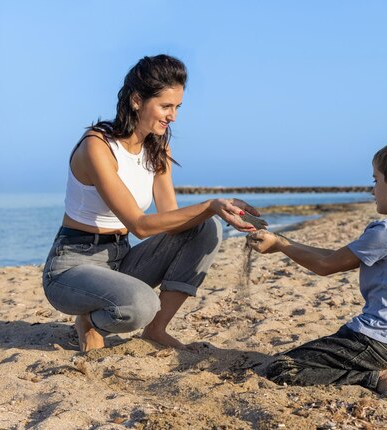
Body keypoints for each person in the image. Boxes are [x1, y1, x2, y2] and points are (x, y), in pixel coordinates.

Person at [42, 55, 260, 352]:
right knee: (141, 305)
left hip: (120, 258)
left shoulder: (158, 148)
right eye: (166, 106)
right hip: (73, 266)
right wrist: (209, 204)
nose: (173, 116)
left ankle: (156, 330)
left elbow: (170, 218)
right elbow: (140, 225)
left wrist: (220, 211)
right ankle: (90, 322)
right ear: (136, 101)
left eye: (177, 107)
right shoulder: (98, 146)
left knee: (205, 228)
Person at [247, 139, 387, 395]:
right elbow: (336, 257)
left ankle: (378, 375)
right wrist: (283, 242)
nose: (373, 191)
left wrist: (281, 246)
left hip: (379, 341)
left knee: (282, 368)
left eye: (375, 180)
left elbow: (326, 266)